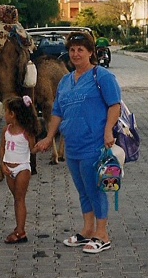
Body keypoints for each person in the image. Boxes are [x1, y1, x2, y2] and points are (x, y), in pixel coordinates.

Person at [34, 30, 122, 254]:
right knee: (82, 190)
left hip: (94, 144)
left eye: (80, 50)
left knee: (95, 189)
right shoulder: (65, 81)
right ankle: (88, 230)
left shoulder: (102, 77)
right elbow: (57, 112)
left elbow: (115, 105)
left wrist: (108, 131)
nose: (75, 54)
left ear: (91, 52)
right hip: (73, 146)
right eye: (72, 50)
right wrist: (48, 137)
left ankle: (102, 234)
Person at [0, 95, 39, 244]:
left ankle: (20, 231)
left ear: (13, 114)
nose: (4, 115)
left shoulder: (26, 132)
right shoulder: (6, 130)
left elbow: (32, 149)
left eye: (6, 112)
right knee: (16, 199)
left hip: (22, 168)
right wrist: (3, 165)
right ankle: (19, 227)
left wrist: (40, 147)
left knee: (20, 199)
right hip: (9, 169)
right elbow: (2, 148)